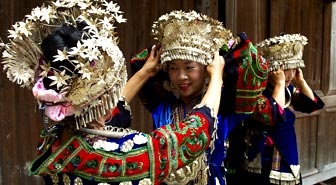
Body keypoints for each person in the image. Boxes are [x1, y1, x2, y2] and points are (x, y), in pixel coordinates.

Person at [0, 1, 224, 185]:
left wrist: (144, 73)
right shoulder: (118, 155)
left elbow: (108, 113)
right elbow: (194, 135)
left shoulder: (55, 139)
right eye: (114, 90)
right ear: (103, 99)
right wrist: (216, 78)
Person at [130, 10, 269, 185]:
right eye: (173, 68)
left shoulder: (223, 108)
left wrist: (218, 71)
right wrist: (148, 69)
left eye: (189, 67)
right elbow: (139, 65)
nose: (181, 77)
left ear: (207, 69)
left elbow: (253, 64)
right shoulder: (162, 106)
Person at [225, 33, 325, 185]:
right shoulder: (256, 92)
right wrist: (279, 84)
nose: (290, 75)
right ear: (273, 69)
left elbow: (312, 106)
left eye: (294, 69)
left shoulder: (288, 90)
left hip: (286, 154)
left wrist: (301, 81)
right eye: (285, 69)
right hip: (261, 159)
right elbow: (273, 115)